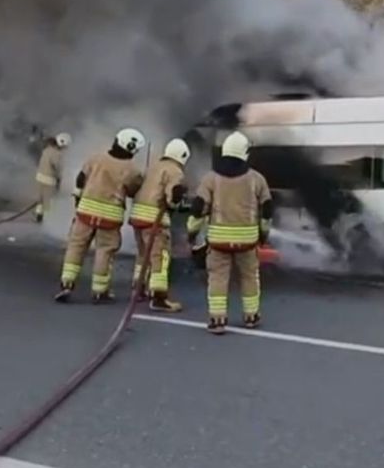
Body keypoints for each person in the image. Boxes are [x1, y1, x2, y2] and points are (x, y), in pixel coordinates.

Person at [186, 131, 273, 335]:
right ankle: (251, 316)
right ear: (244, 153)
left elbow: (198, 209)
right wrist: (263, 235)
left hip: (218, 242)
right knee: (250, 277)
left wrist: (192, 233)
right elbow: (267, 210)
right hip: (247, 242)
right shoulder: (257, 179)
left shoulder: (210, 179)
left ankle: (217, 320)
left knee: (217, 278)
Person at [55, 128, 146, 303]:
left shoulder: (95, 158)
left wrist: (78, 199)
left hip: (86, 211)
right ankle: (100, 290)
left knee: (76, 247)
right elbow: (133, 191)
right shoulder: (132, 170)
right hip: (110, 217)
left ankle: (66, 283)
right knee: (104, 252)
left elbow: (81, 179)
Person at [128, 138, 191, 312]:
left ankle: (138, 289)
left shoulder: (153, 166)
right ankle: (159, 298)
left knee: (143, 255)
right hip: (154, 219)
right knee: (160, 256)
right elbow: (172, 200)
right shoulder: (175, 171)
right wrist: (178, 200)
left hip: (137, 217)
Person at [33, 132, 72, 223]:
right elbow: (57, 168)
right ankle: (47, 220)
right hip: (49, 180)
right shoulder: (57, 154)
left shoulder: (47, 149)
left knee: (40, 199)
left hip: (39, 177)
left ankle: (39, 216)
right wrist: (59, 181)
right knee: (48, 201)